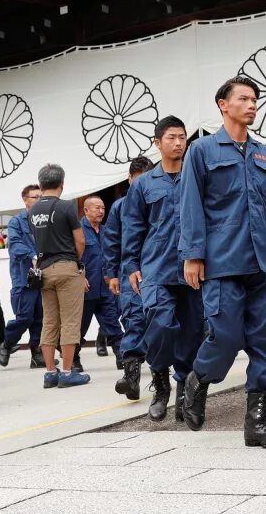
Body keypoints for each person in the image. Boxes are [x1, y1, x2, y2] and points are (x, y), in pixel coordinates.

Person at [178, 76, 266, 449]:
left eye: (255, 99)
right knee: (225, 338)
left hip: (262, 265)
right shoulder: (202, 151)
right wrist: (193, 255)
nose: (252, 104)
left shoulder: (263, 154)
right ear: (222, 105)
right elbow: (190, 204)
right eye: (243, 98)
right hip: (223, 262)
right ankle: (198, 379)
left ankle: (257, 423)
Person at [125, 116, 204, 421]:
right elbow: (133, 226)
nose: (179, 143)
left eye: (183, 137)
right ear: (158, 143)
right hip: (156, 267)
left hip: (193, 268)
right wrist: (131, 264)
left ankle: (184, 385)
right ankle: (160, 382)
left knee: (192, 330)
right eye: (171, 138)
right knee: (159, 324)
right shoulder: (144, 184)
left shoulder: (196, 178)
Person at [30, 163, 89, 388]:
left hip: (43, 270)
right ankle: (66, 372)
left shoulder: (33, 210)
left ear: (40, 184)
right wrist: (75, 260)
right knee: (70, 321)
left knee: (50, 321)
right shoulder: (66, 207)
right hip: (66, 266)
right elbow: (80, 241)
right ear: (62, 184)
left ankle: (50, 372)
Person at [110, 157, 153, 399]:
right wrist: (111, 274)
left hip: (159, 269)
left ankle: (161, 375)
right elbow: (113, 241)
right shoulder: (119, 207)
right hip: (129, 272)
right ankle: (132, 377)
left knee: (161, 321)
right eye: (136, 181)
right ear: (129, 180)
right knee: (134, 319)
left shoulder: (159, 201)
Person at [0, 185, 45, 369]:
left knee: (40, 317)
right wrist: (33, 257)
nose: (39, 199)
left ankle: (37, 354)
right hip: (24, 278)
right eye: (35, 197)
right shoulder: (17, 222)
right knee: (24, 317)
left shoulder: (45, 220)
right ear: (25, 200)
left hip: (44, 277)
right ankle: (7, 343)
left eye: (41, 196)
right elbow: (14, 246)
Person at [76, 196, 123, 374]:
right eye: (97, 208)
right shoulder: (78, 231)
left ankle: (122, 358)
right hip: (86, 289)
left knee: (113, 324)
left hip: (106, 287)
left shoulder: (106, 230)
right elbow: (71, 256)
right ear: (86, 210)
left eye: (103, 208)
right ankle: (74, 360)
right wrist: (79, 275)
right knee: (79, 328)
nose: (101, 211)